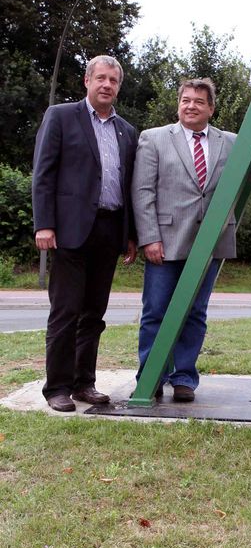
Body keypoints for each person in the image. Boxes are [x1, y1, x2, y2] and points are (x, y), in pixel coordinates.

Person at [132, 77, 251, 402]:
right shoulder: (153, 139)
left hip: (211, 243)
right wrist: (148, 238)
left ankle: (184, 378)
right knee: (156, 310)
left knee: (195, 313)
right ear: (178, 103)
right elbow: (142, 192)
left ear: (211, 108)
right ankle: (151, 376)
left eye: (199, 101)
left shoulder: (231, 142)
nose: (191, 106)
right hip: (164, 242)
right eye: (186, 100)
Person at [32, 55, 138, 412]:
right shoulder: (61, 116)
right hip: (68, 231)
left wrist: (131, 234)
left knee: (94, 313)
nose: (107, 85)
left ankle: (83, 383)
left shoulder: (127, 130)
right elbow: (43, 174)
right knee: (66, 311)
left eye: (114, 81)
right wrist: (43, 224)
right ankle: (57, 387)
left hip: (109, 230)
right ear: (87, 81)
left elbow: (130, 185)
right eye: (101, 78)